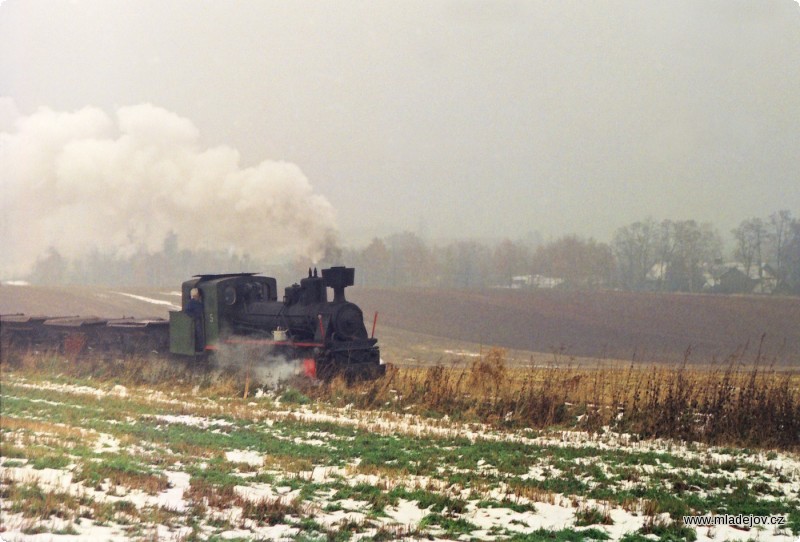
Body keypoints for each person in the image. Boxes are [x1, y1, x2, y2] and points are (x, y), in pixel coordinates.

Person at [185, 288, 205, 353]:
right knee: (199, 332)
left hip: (201, 318)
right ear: (195, 295)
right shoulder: (191, 302)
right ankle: (200, 347)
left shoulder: (199, 302)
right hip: (196, 319)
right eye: (197, 295)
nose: (198, 296)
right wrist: (194, 316)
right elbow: (187, 311)